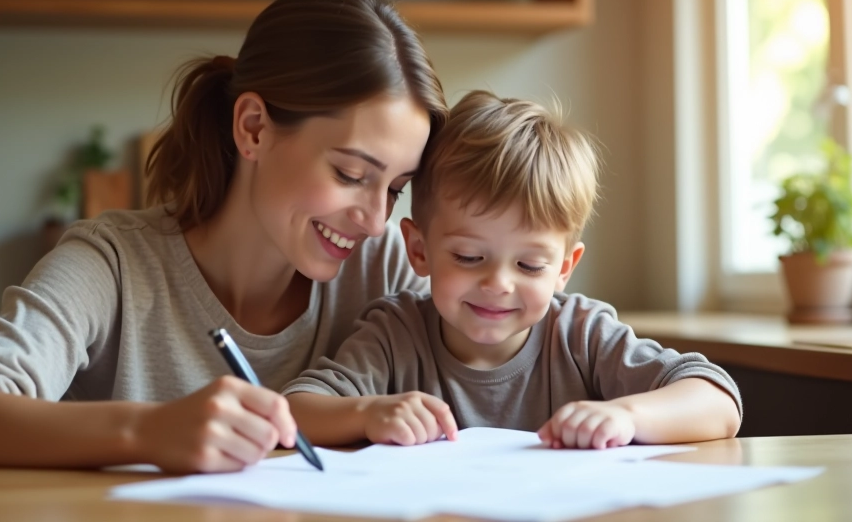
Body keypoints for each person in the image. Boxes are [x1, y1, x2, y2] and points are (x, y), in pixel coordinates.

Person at [0, 0, 448, 473]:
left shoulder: (383, 269)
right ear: (253, 128)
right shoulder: (114, 264)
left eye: (396, 188)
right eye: (351, 174)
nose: (377, 221)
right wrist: (147, 431)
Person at [283, 91, 742, 449]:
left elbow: (718, 401)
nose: (499, 284)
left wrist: (629, 417)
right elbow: (295, 409)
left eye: (529, 264)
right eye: (468, 257)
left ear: (564, 268)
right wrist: (366, 413)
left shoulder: (580, 333)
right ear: (419, 250)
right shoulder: (394, 334)